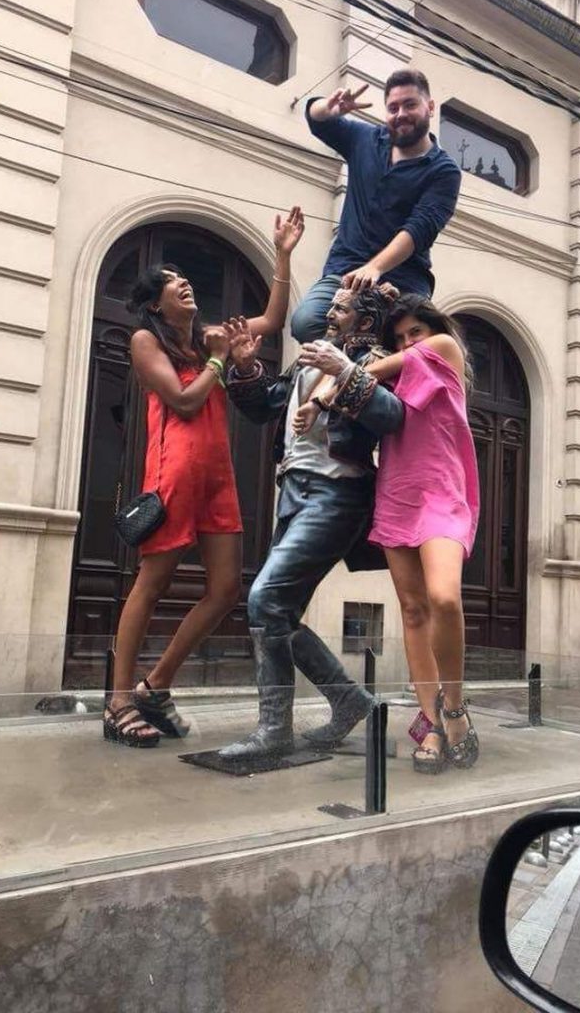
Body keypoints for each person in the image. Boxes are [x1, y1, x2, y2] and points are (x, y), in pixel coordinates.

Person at [104, 207, 304, 747]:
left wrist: (282, 254)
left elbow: (272, 320)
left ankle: (155, 685)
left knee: (225, 589)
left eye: (184, 277)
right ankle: (119, 701)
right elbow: (184, 401)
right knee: (152, 584)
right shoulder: (147, 342)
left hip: (218, 475)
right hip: (174, 473)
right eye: (171, 281)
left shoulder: (209, 337)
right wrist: (218, 361)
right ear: (155, 303)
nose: (182, 282)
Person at [216, 286, 404, 761]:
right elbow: (265, 407)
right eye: (331, 304)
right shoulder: (309, 358)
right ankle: (348, 701)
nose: (329, 312)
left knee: (265, 600)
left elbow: (391, 417)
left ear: (364, 323)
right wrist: (244, 368)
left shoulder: (376, 359)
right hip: (293, 492)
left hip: (337, 494)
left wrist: (344, 370)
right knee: (276, 612)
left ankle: (274, 730)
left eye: (340, 307)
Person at [300, 295, 480, 774]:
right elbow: (362, 386)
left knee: (444, 598)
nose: (407, 343)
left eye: (414, 332)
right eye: (398, 338)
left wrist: (335, 381)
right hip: (398, 491)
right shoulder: (391, 376)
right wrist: (320, 400)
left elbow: (369, 371)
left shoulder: (443, 348)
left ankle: (454, 708)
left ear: (432, 330)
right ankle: (430, 722)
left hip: (443, 491)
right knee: (413, 610)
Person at [290, 68, 461, 345]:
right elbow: (315, 118)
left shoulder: (444, 171)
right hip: (345, 271)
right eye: (393, 108)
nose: (401, 114)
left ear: (430, 107)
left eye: (410, 105)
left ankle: (367, 363)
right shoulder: (365, 139)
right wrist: (328, 109)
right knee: (305, 323)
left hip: (404, 280)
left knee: (407, 344)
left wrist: (375, 268)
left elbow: (419, 228)